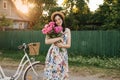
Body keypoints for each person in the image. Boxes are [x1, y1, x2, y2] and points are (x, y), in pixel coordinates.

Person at [44, 11, 71, 80]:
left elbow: (68, 45)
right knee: (54, 74)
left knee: (62, 74)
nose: (58, 21)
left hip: (63, 54)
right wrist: (58, 38)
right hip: (54, 54)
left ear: (62, 19)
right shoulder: (52, 30)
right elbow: (47, 41)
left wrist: (62, 45)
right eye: (56, 20)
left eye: (59, 19)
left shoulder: (67, 30)